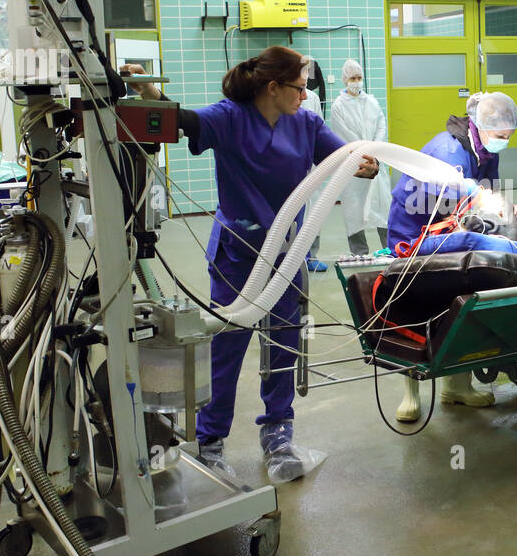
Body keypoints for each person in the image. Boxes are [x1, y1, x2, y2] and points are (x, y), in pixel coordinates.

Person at [128, 46, 379, 480]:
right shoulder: (229, 117)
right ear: (273, 87)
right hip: (238, 256)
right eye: (299, 88)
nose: (305, 96)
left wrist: (367, 165)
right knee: (227, 344)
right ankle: (210, 441)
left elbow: (348, 160)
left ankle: (278, 434)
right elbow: (179, 120)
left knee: (282, 342)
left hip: (286, 255)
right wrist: (145, 88)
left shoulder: (307, 125)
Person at [388, 91, 517, 422]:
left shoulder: (486, 150)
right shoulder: (449, 152)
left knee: (470, 298)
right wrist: (487, 213)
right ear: (480, 126)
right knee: (502, 250)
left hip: (448, 231)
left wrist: (502, 209)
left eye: (508, 137)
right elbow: (452, 206)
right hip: (414, 238)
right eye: (501, 136)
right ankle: (410, 393)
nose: (504, 142)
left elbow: (486, 193)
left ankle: (457, 385)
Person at [326, 59, 390, 254]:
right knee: (354, 211)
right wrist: (364, 151)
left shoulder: (371, 101)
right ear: (345, 80)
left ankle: (390, 249)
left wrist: (374, 149)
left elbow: (381, 125)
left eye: (359, 78)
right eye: (353, 78)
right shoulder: (338, 105)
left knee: (383, 208)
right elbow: (342, 133)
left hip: (376, 162)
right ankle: (359, 253)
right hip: (354, 165)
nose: (356, 81)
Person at [296, 58, 330, 273]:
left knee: (313, 210)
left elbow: (320, 130)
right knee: (294, 212)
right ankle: (293, 256)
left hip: (312, 163)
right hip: (293, 163)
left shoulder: (313, 98)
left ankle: (310, 256)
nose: (304, 95)